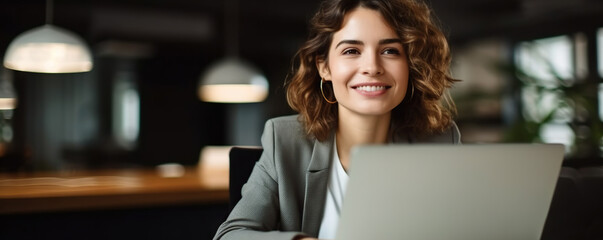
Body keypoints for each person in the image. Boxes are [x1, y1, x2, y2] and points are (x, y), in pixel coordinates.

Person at [213, 0, 460, 239]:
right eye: (352, 51)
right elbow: (231, 235)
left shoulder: (440, 141)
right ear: (324, 67)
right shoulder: (285, 141)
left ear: (411, 65)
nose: (372, 67)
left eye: (390, 51)